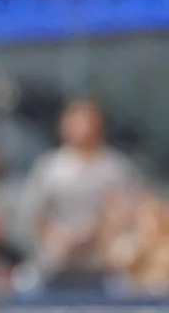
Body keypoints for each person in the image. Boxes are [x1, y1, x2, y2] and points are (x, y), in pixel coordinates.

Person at [23, 98, 139, 284]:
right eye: (77, 121)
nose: (83, 127)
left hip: (103, 266)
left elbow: (124, 215)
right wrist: (56, 238)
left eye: (88, 121)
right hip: (56, 265)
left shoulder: (115, 169)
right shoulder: (49, 168)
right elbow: (35, 215)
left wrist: (95, 233)